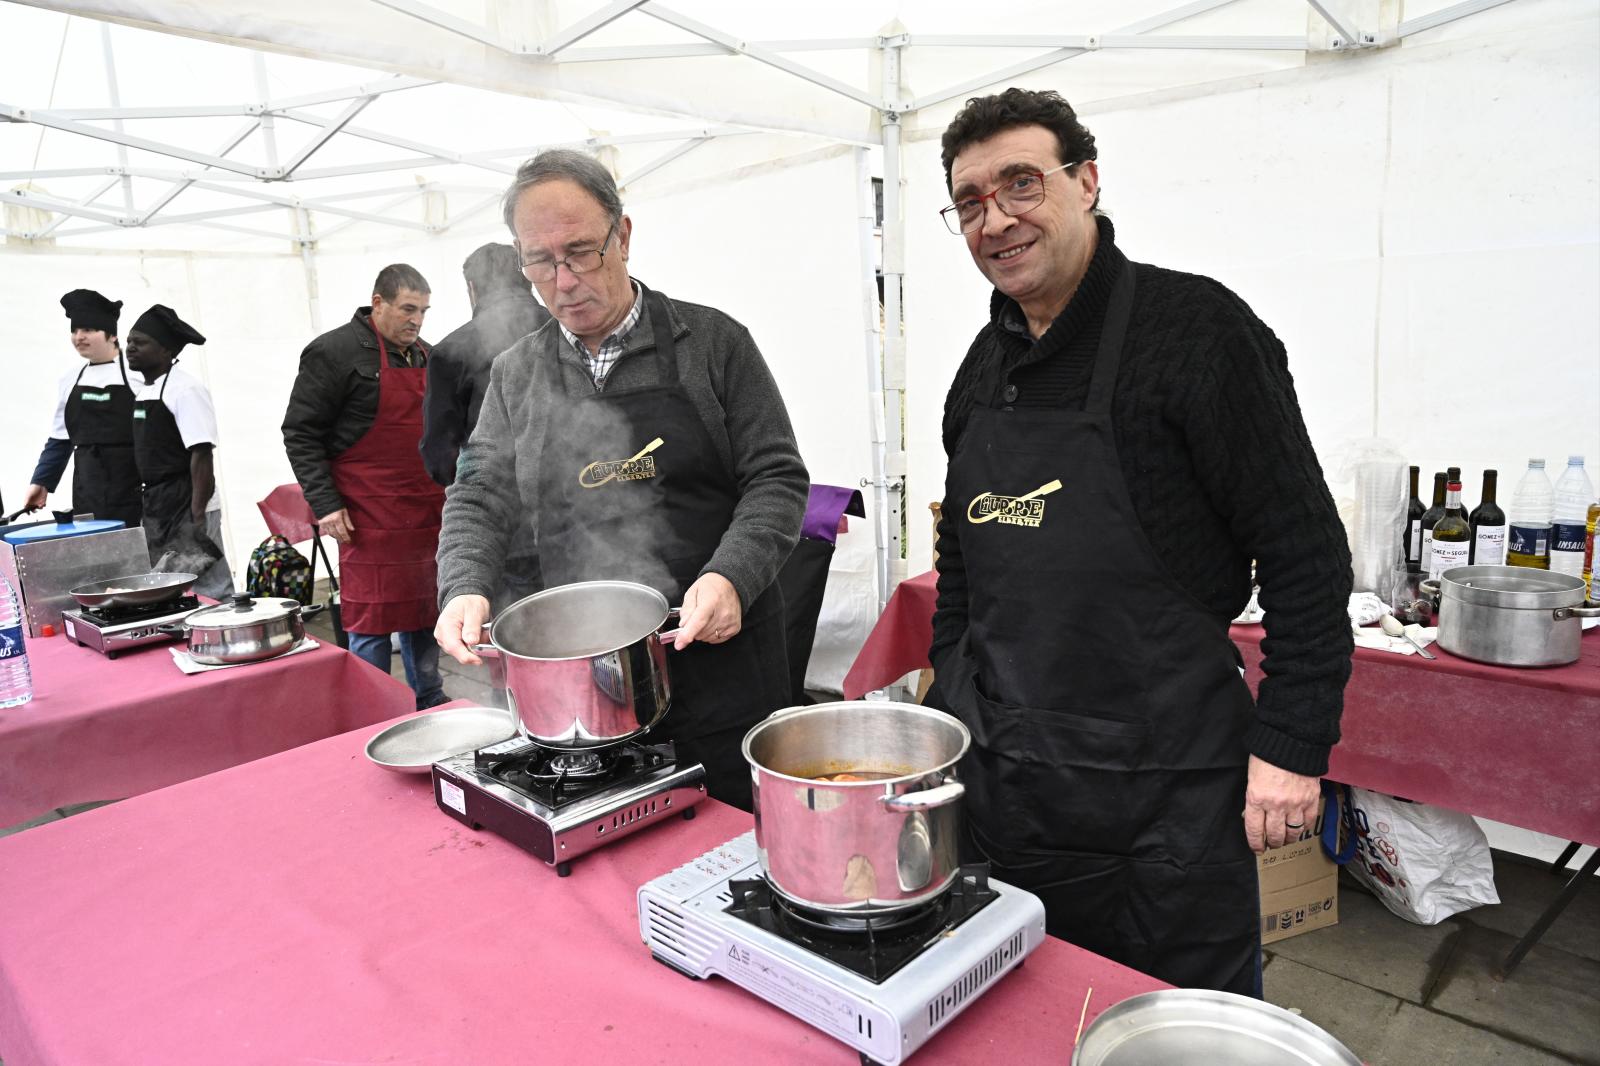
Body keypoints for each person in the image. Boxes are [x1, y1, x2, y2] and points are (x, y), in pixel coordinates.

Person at [925, 88, 1353, 996]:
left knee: (1174, 1028)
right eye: (969, 201)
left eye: (1021, 185)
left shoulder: (1200, 335)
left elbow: (1305, 554)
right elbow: (959, 562)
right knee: (1020, 1014)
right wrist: (952, 694)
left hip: (1166, 805)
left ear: (1086, 182)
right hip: (1012, 792)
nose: (995, 219)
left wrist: (1292, 745)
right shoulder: (981, 369)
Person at [433, 149, 808, 811]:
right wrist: (462, 584)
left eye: (581, 251)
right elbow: (479, 491)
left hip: (720, 666)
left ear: (623, 235)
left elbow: (775, 479)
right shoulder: (516, 374)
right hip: (588, 686)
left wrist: (732, 576)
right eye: (539, 261)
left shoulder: (713, 343)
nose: (564, 280)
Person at [282, 266, 448, 710]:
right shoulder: (332, 353)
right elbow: (300, 432)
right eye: (408, 309)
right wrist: (326, 504)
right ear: (378, 303)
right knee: (371, 617)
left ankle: (429, 700)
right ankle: (374, 706)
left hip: (424, 508)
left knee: (423, 610)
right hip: (363, 512)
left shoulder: (430, 357)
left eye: (423, 312)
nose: (416, 321)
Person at [420, 242, 550, 608]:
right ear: (526, 279)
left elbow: (438, 458)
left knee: (519, 644)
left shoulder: (450, 351)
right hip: (582, 528)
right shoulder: (568, 330)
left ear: (473, 289)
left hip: (502, 532)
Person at [124, 304, 234, 599]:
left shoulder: (185, 390)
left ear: (165, 351)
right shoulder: (146, 390)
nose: (130, 348)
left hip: (189, 501)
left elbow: (201, 453)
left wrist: (197, 515)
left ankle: (221, 632)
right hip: (160, 503)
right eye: (129, 342)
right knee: (172, 583)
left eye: (140, 342)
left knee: (208, 584)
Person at [20, 290, 143, 527]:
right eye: (74, 331)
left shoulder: (139, 374)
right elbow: (60, 438)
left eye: (88, 330)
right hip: (89, 488)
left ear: (112, 335)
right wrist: (41, 481)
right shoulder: (70, 379)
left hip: (135, 488)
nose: (79, 337)